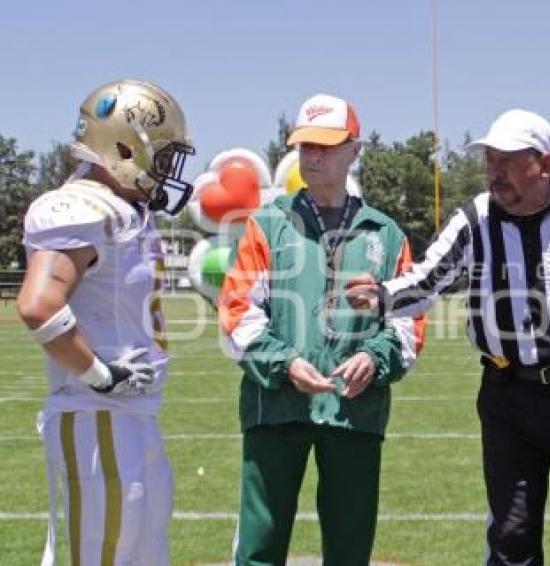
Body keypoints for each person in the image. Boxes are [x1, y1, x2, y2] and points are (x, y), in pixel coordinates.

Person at [346, 109, 550, 566]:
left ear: (544, 164)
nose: (495, 172)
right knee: (511, 537)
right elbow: (429, 279)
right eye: (490, 160)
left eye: (507, 161)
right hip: (508, 396)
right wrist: (382, 295)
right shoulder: (475, 218)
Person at [218, 93, 425, 565]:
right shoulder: (267, 224)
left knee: (350, 551)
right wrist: (284, 362)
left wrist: (374, 357)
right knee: (259, 548)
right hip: (274, 407)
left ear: (355, 149)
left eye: (326, 145)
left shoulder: (385, 233)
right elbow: (237, 313)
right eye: (306, 145)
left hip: (355, 411)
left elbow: (409, 323)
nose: (312, 155)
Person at [16, 79, 195, 565]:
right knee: (102, 555)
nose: (165, 170)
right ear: (124, 145)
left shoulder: (125, 210)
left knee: (145, 551)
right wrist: (99, 375)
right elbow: (38, 304)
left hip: (133, 416)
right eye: (162, 155)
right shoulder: (81, 206)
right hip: (97, 416)